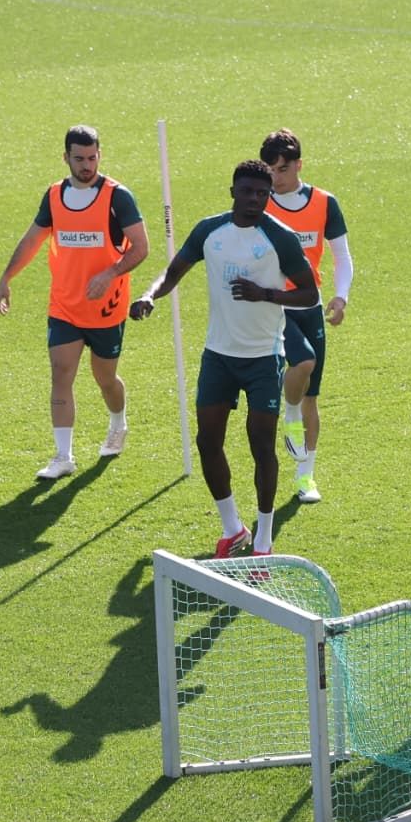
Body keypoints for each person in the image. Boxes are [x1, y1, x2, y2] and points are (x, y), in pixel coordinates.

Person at [130, 160, 317, 558]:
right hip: (219, 355)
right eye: (246, 192)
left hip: (264, 356)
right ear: (232, 190)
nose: (254, 200)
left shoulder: (280, 238)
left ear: (269, 196)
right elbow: (173, 271)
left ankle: (263, 541)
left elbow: (309, 294)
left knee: (261, 445)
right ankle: (232, 528)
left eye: (262, 194)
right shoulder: (209, 231)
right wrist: (150, 295)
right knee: (207, 440)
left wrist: (265, 295)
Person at [0, 125, 150, 480]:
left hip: (106, 307)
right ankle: (63, 456)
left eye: (92, 157)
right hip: (65, 306)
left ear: (100, 155)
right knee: (61, 373)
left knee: (104, 377)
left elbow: (141, 247)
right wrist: (7, 278)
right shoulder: (53, 197)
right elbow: (33, 240)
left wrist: (110, 273)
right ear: (65, 157)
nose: (86, 165)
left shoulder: (117, 197)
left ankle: (117, 424)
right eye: (79, 158)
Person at [261, 129, 354, 505]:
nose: (276, 178)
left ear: (299, 165)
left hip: (311, 307)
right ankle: (290, 412)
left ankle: (305, 477)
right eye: (270, 170)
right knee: (303, 363)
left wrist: (341, 297)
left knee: (312, 396)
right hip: (273, 307)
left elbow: (342, 257)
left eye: (283, 169)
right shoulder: (259, 203)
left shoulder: (324, 203)